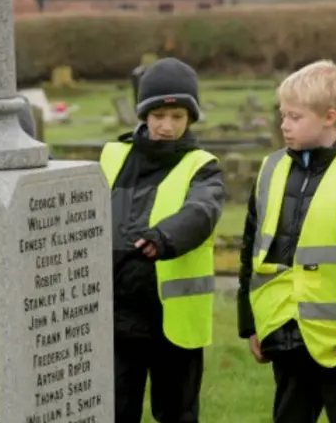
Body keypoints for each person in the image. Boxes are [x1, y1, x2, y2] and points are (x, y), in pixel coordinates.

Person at [237, 60, 336, 423]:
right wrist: (250, 323)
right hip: (282, 330)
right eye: (283, 115)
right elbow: (251, 248)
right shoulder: (270, 169)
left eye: (295, 117)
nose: (284, 125)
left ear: (330, 116)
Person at [100, 58, 225, 423]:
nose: (166, 126)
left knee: (176, 414)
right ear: (143, 115)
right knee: (114, 411)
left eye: (177, 117)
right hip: (117, 315)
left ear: (190, 119)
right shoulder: (112, 156)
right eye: (157, 116)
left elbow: (202, 211)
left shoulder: (202, 165)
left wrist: (164, 237)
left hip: (173, 319)